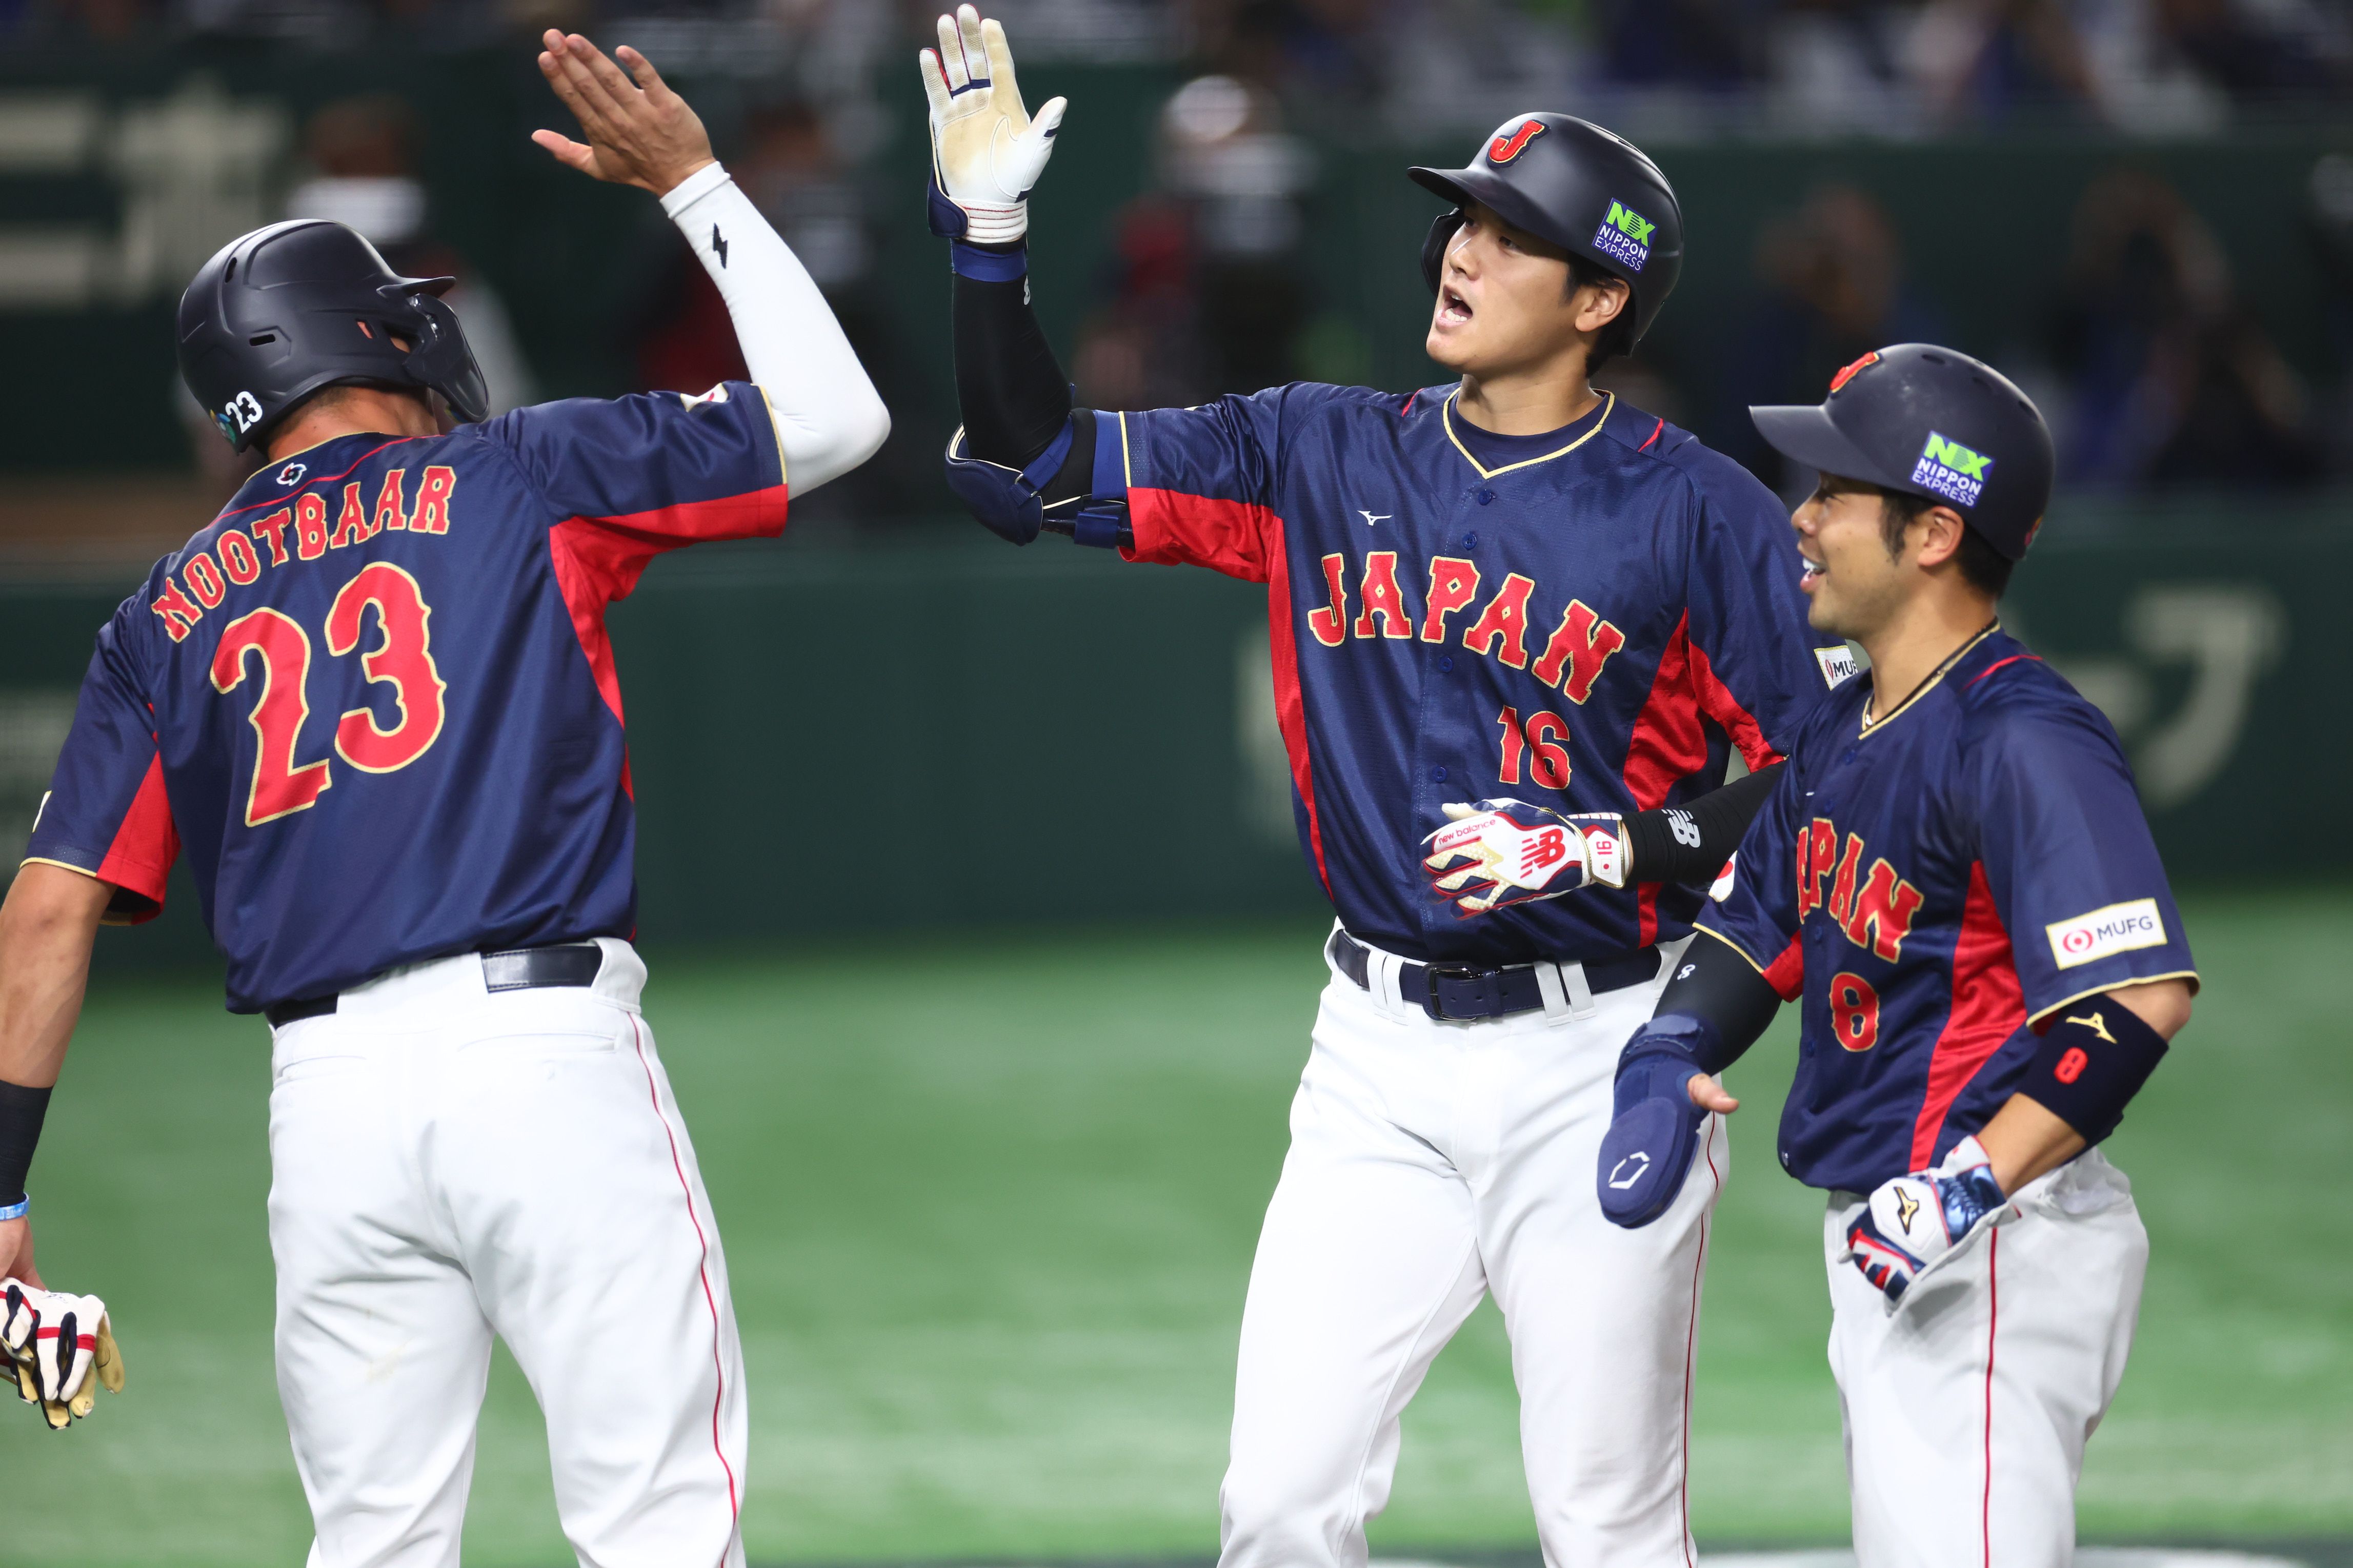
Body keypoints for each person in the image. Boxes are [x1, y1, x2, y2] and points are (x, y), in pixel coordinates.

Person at [917, 7, 1852, 1560]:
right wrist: (992, 234)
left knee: (1606, 1520)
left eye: (1509, 233)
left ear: (1600, 296)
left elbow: (1822, 775)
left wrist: (1620, 847)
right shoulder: (1315, 447)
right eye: (1459, 221)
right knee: (1278, 1504)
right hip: (1374, 1057)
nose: (1459, 253)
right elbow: (1036, 463)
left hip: (1601, 1042)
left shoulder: (1699, 511)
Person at [0, 31, 886, 1566]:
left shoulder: (163, 612)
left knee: (374, 1544)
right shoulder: (518, 473)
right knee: (659, 1526)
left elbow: (47, 910)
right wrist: (696, 183)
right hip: (538, 1055)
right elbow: (836, 421)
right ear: (372, 342)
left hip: (325, 1115)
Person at [1597, 343, 2196, 1562]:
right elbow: (1762, 917)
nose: (1801, 520)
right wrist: (1670, 1046)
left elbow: (2137, 998)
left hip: (1993, 1242)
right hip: (1902, 1235)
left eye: (1833, 494)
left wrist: (1968, 1187)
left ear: (1932, 534)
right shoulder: (1845, 717)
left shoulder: (2025, 737)